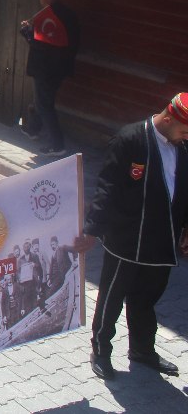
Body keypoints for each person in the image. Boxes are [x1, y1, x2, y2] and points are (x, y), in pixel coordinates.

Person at [80, 93, 188, 381]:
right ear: (168, 118)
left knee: (146, 298)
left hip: (161, 239)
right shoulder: (129, 139)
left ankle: (142, 350)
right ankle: (100, 350)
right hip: (127, 238)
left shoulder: (183, 148)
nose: (185, 136)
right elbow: (107, 187)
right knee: (111, 298)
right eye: (184, 130)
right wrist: (91, 229)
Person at [20, 0, 80, 156]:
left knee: (45, 104)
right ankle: (32, 129)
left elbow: (40, 44)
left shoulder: (49, 17)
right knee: (41, 100)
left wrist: (26, 31)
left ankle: (57, 145)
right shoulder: (69, 14)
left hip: (46, 68)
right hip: (62, 67)